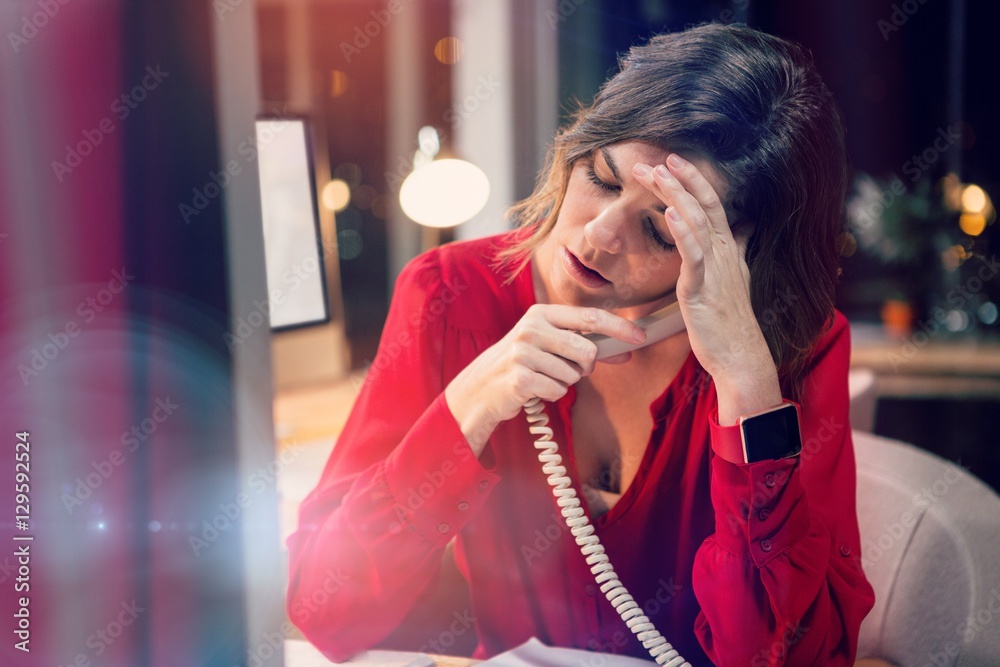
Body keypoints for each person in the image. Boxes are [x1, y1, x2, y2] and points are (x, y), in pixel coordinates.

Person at [286, 22, 876, 666]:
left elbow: (798, 658)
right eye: (600, 176)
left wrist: (746, 388)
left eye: (662, 230)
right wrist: (472, 404)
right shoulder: (449, 294)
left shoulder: (794, 348)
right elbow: (325, 608)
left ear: (744, 253)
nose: (598, 235)